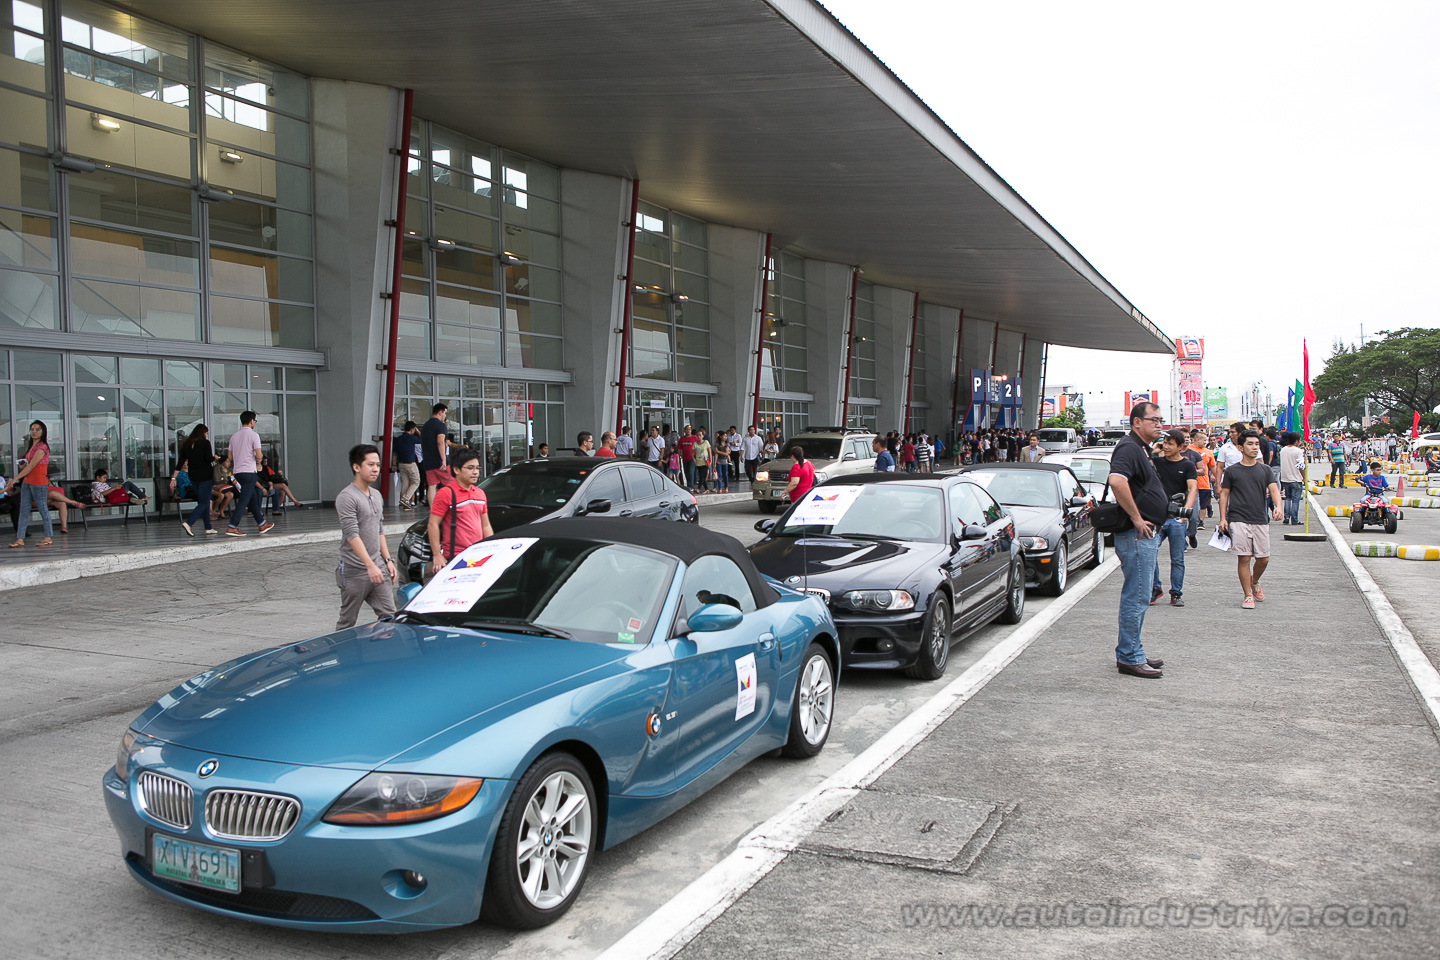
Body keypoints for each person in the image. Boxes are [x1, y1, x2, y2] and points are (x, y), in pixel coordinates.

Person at [1105, 402, 1168, 678]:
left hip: (1144, 534)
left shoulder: (1140, 448)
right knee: (1137, 596)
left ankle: (1134, 650)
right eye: (1153, 420)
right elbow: (1117, 481)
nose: (1159, 424)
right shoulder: (1129, 447)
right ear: (1136, 423)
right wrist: (1137, 518)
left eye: (1160, 420)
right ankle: (1129, 656)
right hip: (1136, 534)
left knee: (1141, 595)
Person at [1217, 430, 1283, 609]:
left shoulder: (1265, 470)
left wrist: (1278, 506)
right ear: (1240, 447)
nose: (1254, 447)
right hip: (1238, 518)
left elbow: (1274, 489)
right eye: (1250, 444)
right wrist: (1223, 518)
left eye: (1256, 444)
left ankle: (1255, 581)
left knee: (1263, 559)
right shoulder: (1232, 471)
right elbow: (1224, 495)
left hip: (1260, 518)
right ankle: (1247, 595)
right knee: (1244, 558)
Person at [335, 443, 397, 630]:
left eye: (377, 465)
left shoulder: (376, 495)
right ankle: (344, 656)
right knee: (347, 622)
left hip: (377, 567)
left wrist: (387, 560)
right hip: (355, 570)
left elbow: (379, 529)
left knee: (391, 617)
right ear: (356, 467)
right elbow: (352, 535)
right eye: (370, 465)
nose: (375, 469)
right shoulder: (347, 497)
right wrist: (369, 566)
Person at [1150, 429, 1197, 607]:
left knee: (1177, 558)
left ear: (1180, 446)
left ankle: (1176, 593)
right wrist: (1155, 450)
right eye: (1165, 443)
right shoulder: (1156, 462)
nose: (1167, 447)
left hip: (1177, 517)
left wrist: (1186, 511)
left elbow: (1192, 488)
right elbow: (1142, 460)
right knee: (1150, 552)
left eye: (1170, 444)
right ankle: (1155, 588)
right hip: (1158, 516)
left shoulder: (1187, 466)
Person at [426, 449, 493, 574]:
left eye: (477, 468)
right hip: (456, 556)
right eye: (470, 468)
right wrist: (437, 555)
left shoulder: (480, 493)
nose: (475, 472)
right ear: (456, 470)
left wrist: (490, 549)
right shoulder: (446, 493)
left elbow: (485, 525)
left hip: (478, 554)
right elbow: (433, 524)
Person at [224, 411, 274, 538]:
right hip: (249, 471)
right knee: (244, 500)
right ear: (252, 421)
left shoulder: (234, 436)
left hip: (238, 472)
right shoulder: (254, 435)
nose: (254, 423)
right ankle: (232, 526)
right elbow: (258, 455)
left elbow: (229, 457)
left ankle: (261, 524)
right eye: (255, 421)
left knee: (251, 498)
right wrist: (259, 458)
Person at [7, 420, 53, 548]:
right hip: (27, 481)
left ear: (43, 431)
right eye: (32, 429)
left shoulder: (42, 446)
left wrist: (15, 478)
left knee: (42, 508)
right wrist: (22, 468)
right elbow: (29, 466)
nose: (34, 431)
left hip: (38, 482)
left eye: (37, 429)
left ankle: (48, 536)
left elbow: (33, 465)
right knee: (23, 509)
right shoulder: (31, 446)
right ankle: (20, 538)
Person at [172, 424, 217, 536]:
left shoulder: (186, 445)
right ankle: (189, 523)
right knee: (204, 502)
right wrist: (215, 458)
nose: (206, 435)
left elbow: (180, 463)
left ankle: (208, 527)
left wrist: (173, 478)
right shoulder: (205, 443)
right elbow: (208, 458)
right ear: (203, 433)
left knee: (202, 501)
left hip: (193, 476)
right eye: (206, 433)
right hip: (205, 476)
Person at [420, 403, 450, 504]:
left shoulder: (425, 426)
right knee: (452, 483)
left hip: (428, 462)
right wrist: (444, 460)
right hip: (439, 462)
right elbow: (440, 442)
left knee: (432, 486)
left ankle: (433, 511)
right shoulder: (440, 425)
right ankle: (453, 507)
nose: (445, 416)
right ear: (440, 412)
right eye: (445, 413)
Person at [393, 420, 422, 508]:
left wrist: (394, 464)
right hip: (410, 463)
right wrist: (418, 432)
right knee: (416, 482)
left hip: (400, 464)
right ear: (413, 429)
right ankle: (405, 499)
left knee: (405, 483)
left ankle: (403, 501)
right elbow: (422, 440)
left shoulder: (398, 439)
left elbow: (394, 453)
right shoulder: (411, 438)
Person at [1278, 432, 1306, 524]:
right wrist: (1304, 477)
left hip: (1285, 478)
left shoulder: (1283, 450)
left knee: (1287, 498)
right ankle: (1294, 519)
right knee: (1295, 500)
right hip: (1296, 478)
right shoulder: (1298, 451)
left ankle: (1286, 517)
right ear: (1297, 441)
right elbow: (1301, 466)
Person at [677, 426, 698, 490]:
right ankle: (688, 484)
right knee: (686, 472)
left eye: (689, 429)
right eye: (687, 429)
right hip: (684, 458)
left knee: (691, 471)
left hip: (692, 457)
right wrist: (680, 453)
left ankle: (690, 486)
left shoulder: (694, 438)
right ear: (684, 431)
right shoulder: (682, 439)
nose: (688, 431)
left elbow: (698, 446)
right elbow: (679, 447)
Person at [692, 428, 713, 493]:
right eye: (697, 435)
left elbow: (709, 451)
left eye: (700, 435)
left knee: (702, 476)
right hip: (698, 462)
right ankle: (706, 489)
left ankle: (698, 488)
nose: (699, 436)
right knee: (702, 476)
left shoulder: (706, 442)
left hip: (705, 462)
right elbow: (692, 452)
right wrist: (694, 459)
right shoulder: (695, 443)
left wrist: (710, 460)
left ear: (703, 436)